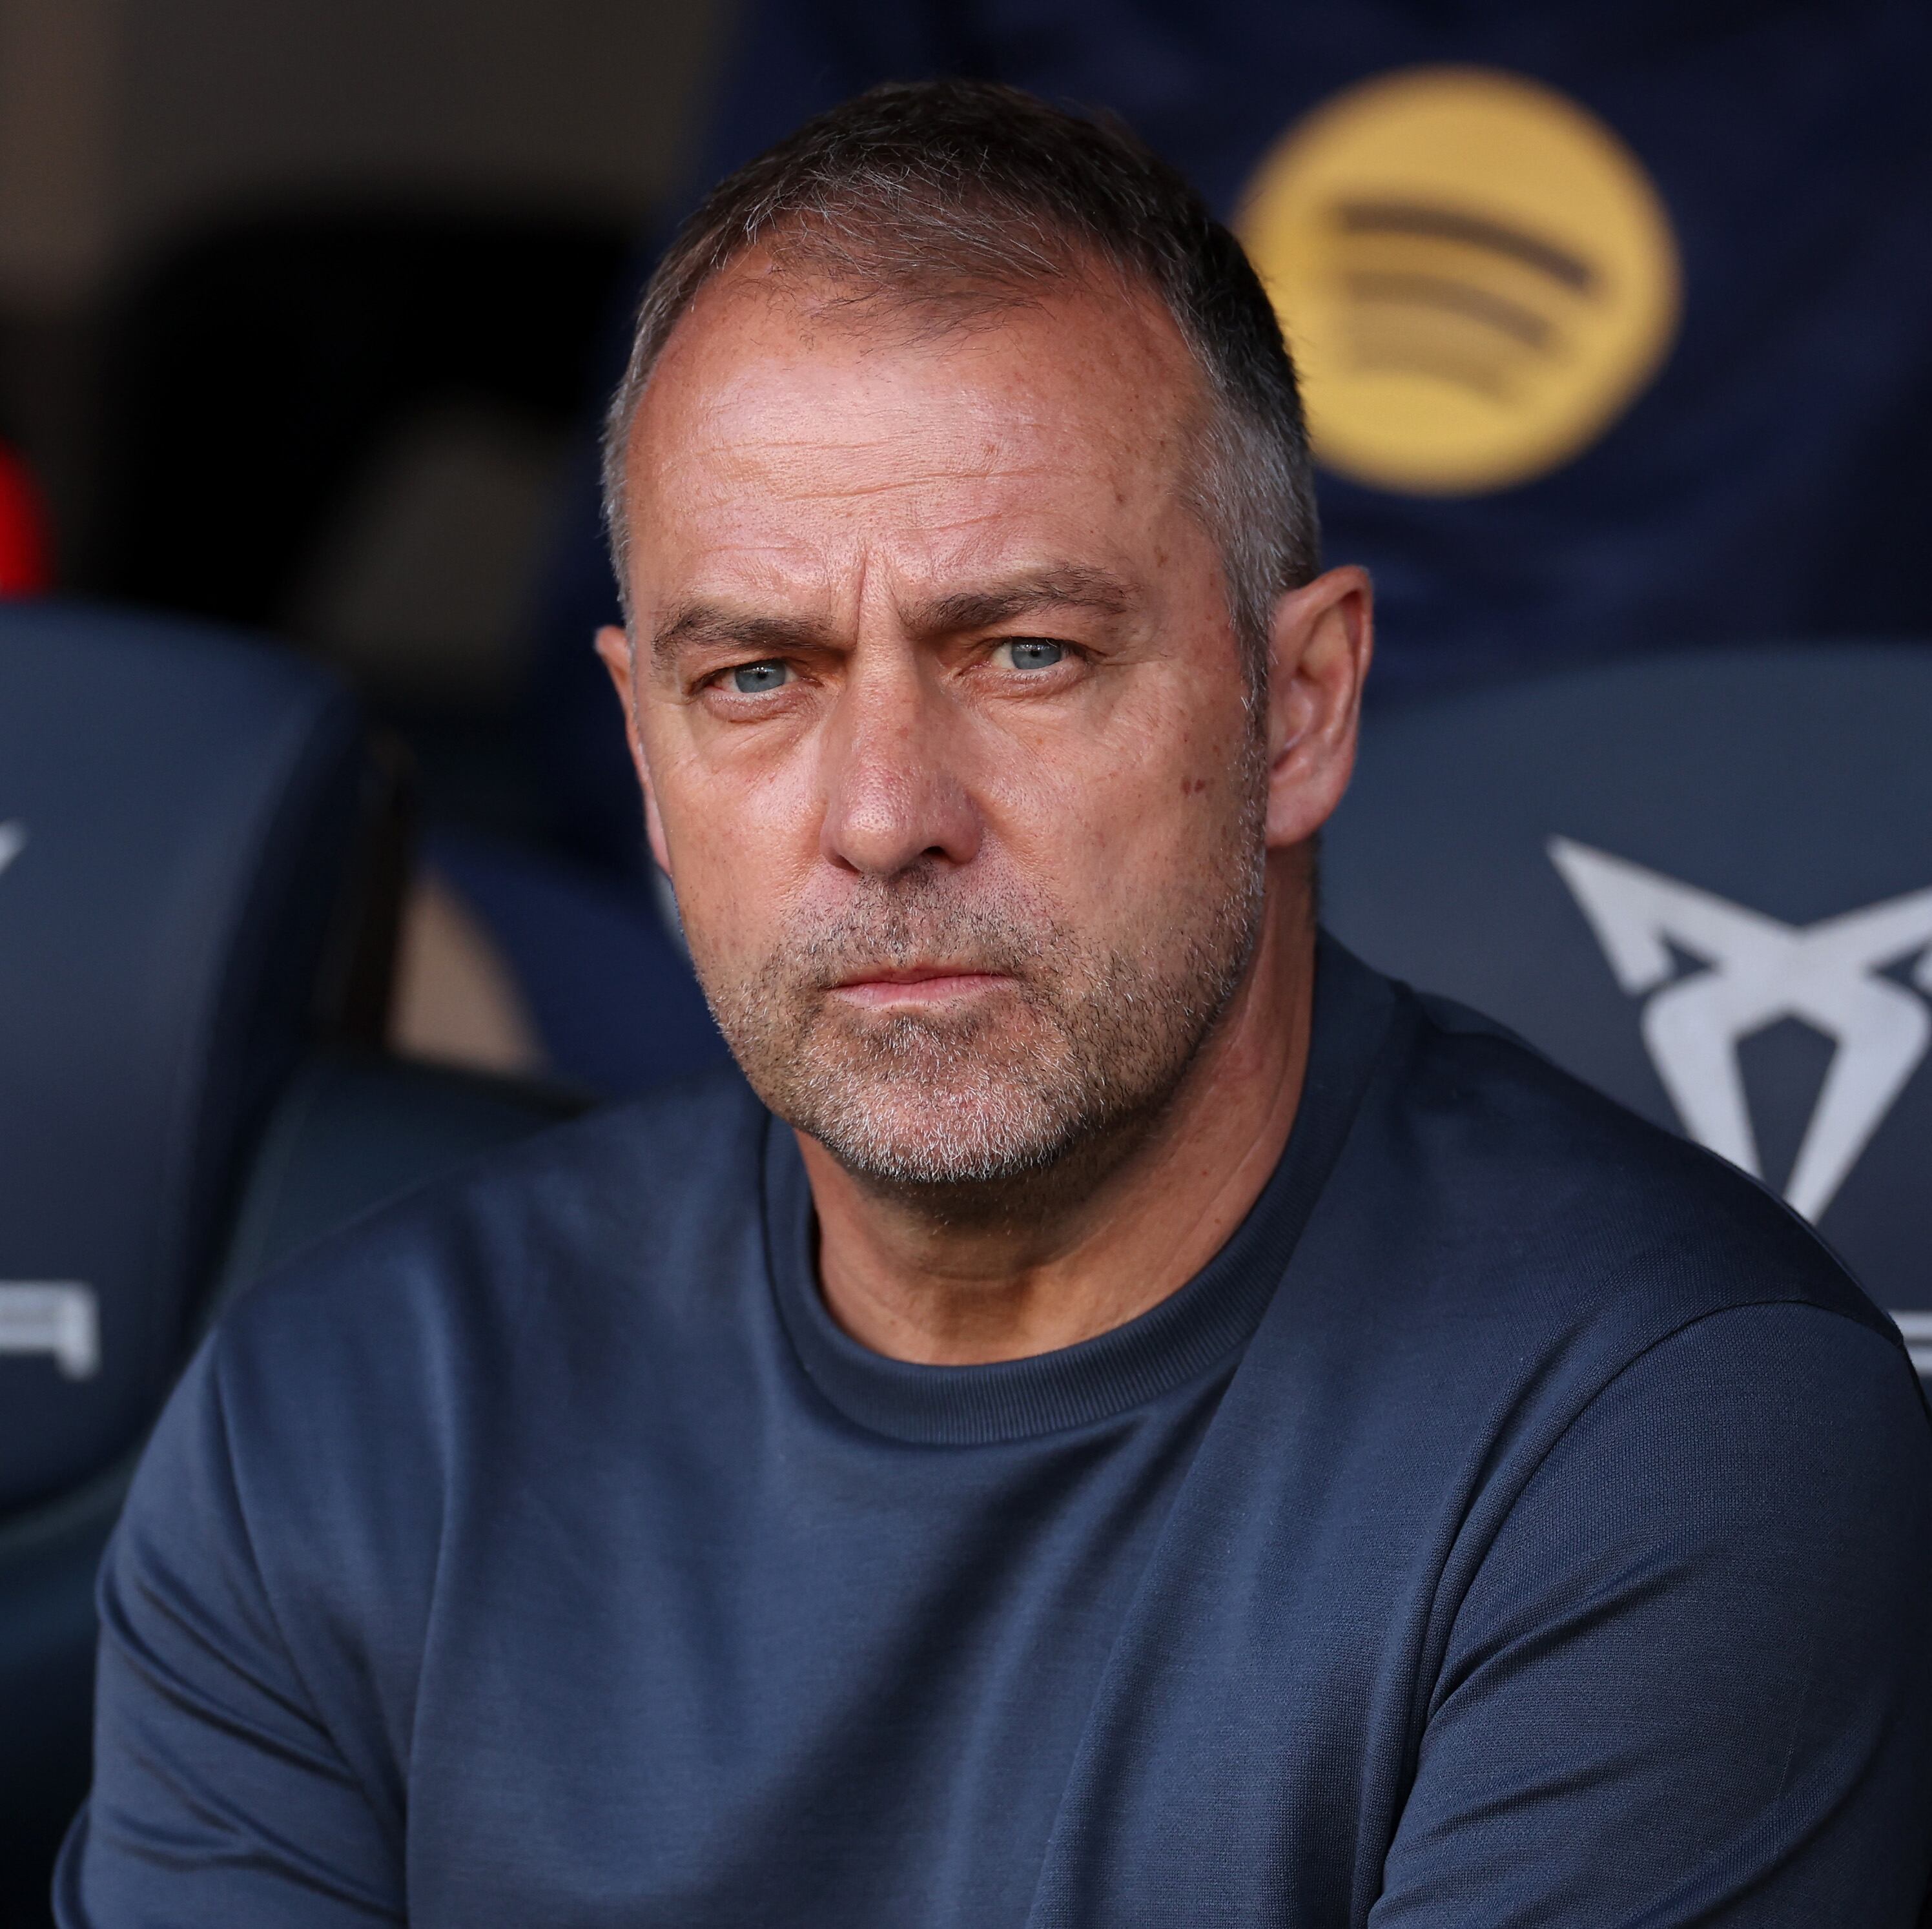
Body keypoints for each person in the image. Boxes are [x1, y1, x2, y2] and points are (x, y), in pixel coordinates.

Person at [57, 82, 1932, 1928]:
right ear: (641, 748)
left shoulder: (1670, 1440)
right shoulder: (347, 1416)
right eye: (759, 678)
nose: (884, 815)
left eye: (1027, 651)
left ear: (1301, 704)